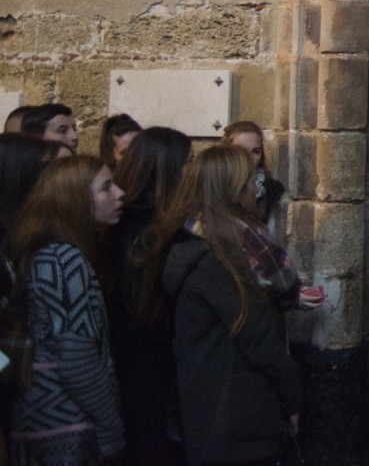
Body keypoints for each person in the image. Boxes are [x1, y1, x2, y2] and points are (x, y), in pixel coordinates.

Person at [159, 145, 305, 466]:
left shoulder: (194, 243)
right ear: (233, 189)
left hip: (216, 411)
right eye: (250, 180)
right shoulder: (220, 258)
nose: (257, 187)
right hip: (232, 416)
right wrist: (291, 395)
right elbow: (258, 338)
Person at [8, 155, 125, 463]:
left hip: (41, 423)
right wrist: (112, 426)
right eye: (106, 188)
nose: (120, 193)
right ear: (75, 200)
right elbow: (77, 358)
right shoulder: (64, 260)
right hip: (67, 429)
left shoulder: (44, 253)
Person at [108, 126, 192, 465]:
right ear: (166, 169)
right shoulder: (144, 230)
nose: (193, 170)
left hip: (149, 362)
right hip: (147, 366)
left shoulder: (147, 224)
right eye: (188, 162)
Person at [219, 121, 284, 237]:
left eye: (255, 152)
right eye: (241, 151)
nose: (249, 158)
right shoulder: (215, 184)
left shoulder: (271, 189)